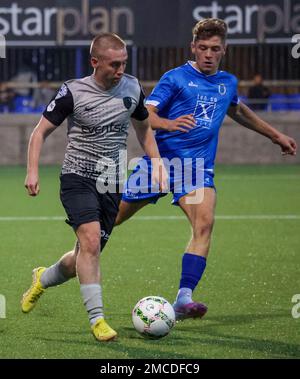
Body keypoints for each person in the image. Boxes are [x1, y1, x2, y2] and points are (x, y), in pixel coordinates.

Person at [114, 18, 297, 321]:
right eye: (203, 48)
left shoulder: (227, 82)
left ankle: (184, 298)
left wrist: (275, 135)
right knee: (111, 222)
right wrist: (170, 124)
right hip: (161, 163)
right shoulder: (176, 78)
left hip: (197, 169)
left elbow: (236, 109)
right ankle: (62, 266)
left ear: (224, 50)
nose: (208, 54)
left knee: (205, 223)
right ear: (193, 48)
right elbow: (145, 115)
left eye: (214, 49)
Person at [21, 33, 167, 342]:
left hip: (112, 181)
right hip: (77, 178)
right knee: (89, 242)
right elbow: (39, 133)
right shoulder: (73, 91)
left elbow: (144, 130)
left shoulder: (133, 87)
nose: (120, 70)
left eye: (124, 63)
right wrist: (32, 171)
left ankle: (42, 278)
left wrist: (156, 163)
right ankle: (98, 320)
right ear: (94, 62)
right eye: (114, 64)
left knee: (82, 258)